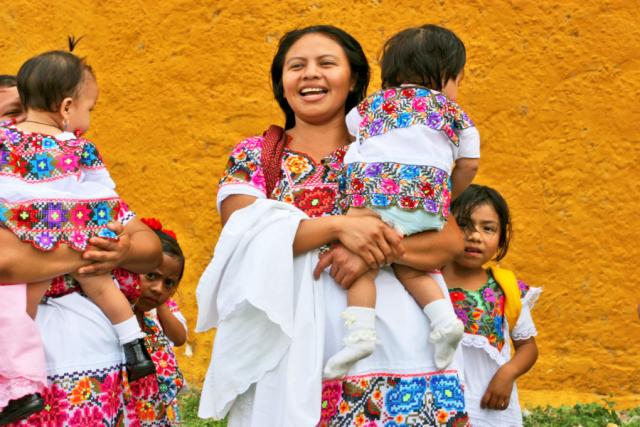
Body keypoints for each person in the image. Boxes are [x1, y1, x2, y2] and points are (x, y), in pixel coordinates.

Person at [198, 25, 470, 426]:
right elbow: (243, 231)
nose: (310, 74)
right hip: (293, 343)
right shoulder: (256, 154)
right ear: (282, 82)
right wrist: (340, 228)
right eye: (296, 66)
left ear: (355, 78)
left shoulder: (390, 144)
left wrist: (366, 256)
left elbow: (447, 240)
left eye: (327, 63)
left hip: (399, 343)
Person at [325, 24, 480, 379]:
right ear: (446, 76)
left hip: (372, 196)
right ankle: (443, 319)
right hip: (426, 202)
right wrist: (446, 195)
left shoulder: (371, 105)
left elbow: (353, 132)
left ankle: (360, 334)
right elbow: (469, 162)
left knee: (363, 253)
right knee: (410, 265)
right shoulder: (455, 114)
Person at [0, 47, 157, 382]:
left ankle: (13, 374)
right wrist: (98, 232)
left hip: (27, 229)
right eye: (90, 108)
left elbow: (148, 247)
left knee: (23, 301)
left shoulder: (5, 140)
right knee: (97, 280)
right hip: (75, 231)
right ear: (67, 107)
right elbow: (104, 194)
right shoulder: (78, 147)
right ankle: (134, 342)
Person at [443, 184, 540, 426]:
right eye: (464, 224)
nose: (475, 236)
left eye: (488, 228)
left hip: (489, 403)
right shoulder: (425, 281)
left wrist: (507, 374)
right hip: (439, 398)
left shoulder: (506, 288)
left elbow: (527, 346)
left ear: (500, 239)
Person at [130, 218, 187, 425]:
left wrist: (160, 303)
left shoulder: (156, 317)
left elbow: (179, 338)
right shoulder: (118, 315)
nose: (158, 288)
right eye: (151, 276)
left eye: (168, 283)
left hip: (161, 407)